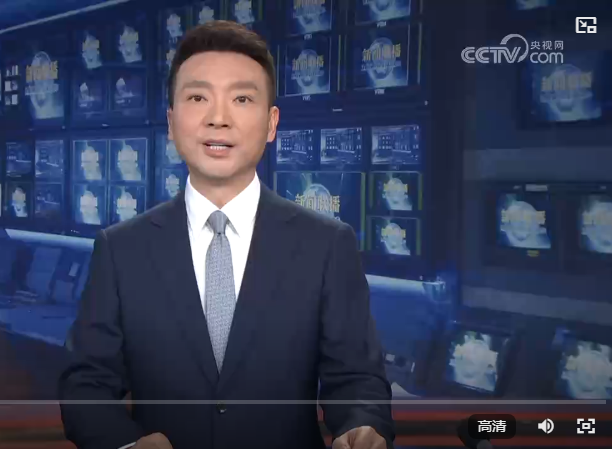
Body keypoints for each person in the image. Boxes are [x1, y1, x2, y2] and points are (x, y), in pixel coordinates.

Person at [59, 20, 394, 449]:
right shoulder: (120, 249)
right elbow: (85, 386)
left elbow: (357, 378)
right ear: (171, 121)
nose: (218, 119)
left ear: (271, 124)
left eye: (241, 99)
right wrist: (126, 444)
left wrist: (363, 426)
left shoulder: (326, 244)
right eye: (198, 98)